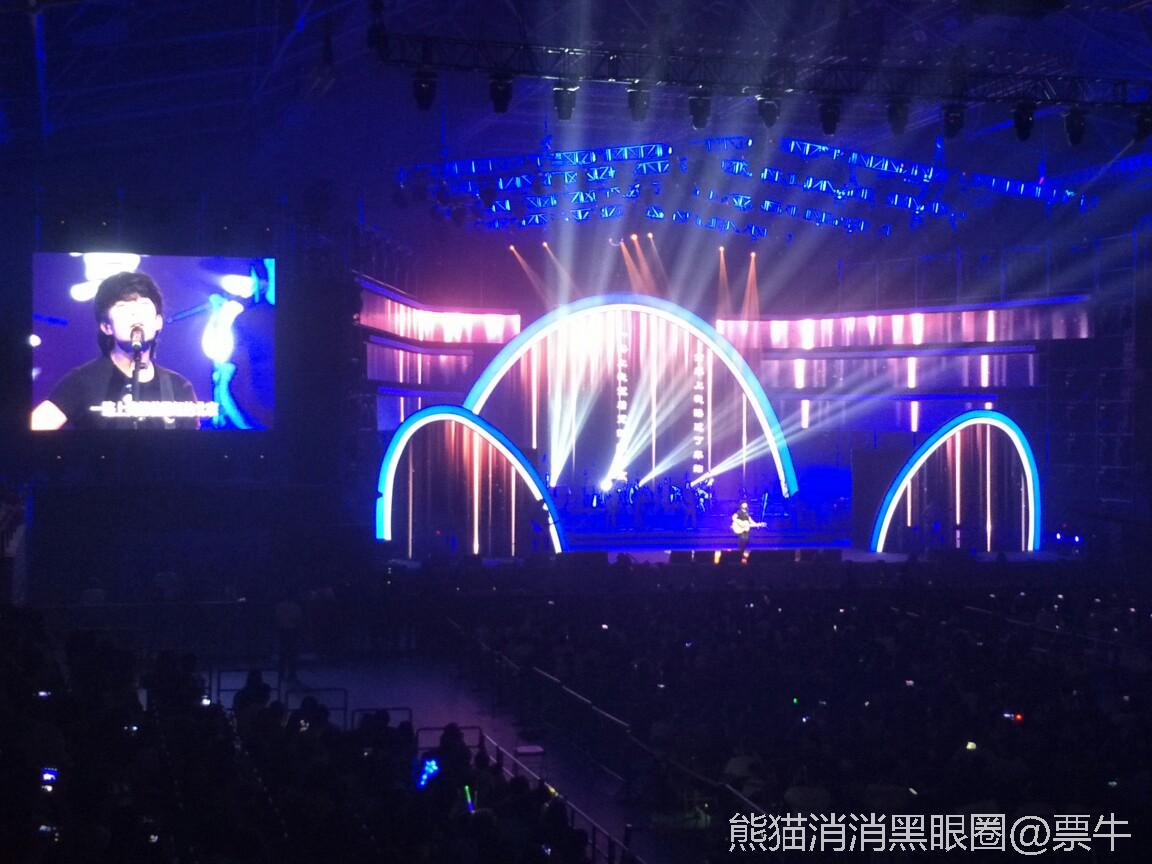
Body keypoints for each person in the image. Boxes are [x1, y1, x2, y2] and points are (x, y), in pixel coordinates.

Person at [31, 271, 203, 429]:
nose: (135, 314)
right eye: (123, 308)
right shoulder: (83, 381)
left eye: (143, 305)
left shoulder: (178, 387)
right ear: (106, 327)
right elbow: (35, 427)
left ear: (158, 322)